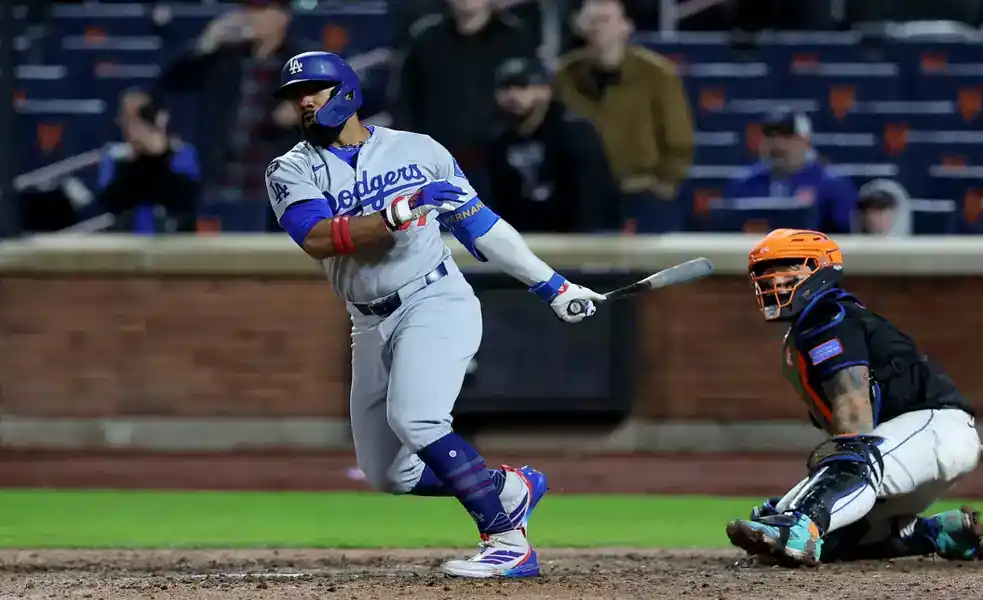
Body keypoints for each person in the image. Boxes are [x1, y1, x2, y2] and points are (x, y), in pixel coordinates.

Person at [265, 51, 606, 578]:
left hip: (433, 299)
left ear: (348, 92)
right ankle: (506, 490)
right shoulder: (289, 169)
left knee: (417, 418)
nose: (304, 101)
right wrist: (398, 211)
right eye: (295, 95)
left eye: (315, 89)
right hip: (368, 320)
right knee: (389, 474)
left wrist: (553, 286)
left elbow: (481, 227)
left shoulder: (418, 151)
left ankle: (507, 542)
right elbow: (318, 238)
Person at [725, 229, 983, 567]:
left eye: (789, 265)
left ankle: (800, 527)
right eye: (764, 271)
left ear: (821, 269)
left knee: (818, 497)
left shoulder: (829, 316)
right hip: (909, 448)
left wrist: (821, 490)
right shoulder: (811, 328)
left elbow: (854, 412)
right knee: (804, 530)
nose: (773, 278)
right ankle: (940, 533)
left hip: (937, 428)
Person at [157, 0, 308, 232]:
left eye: (261, 11)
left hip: (270, 182)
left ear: (283, 17)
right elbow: (172, 81)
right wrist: (207, 42)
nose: (253, 18)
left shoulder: (303, 63)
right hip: (220, 177)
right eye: (250, 11)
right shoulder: (224, 56)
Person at [554, 0, 694, 232]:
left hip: (642, 195)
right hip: (582, 198)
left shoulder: (658, 74)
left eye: (605, 20)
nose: (596, 28)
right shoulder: (565, 74)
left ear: (626, 26)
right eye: (590, 21)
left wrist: (664, 184)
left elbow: (679, 140)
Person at [388, 0, 538, 201]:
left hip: (503, 169)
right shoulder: (425, 40)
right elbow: (403, 102)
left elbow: (536, 100)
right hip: (436, 168)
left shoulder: (517, 38)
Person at [488, 56, 620, 232]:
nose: (512, 95)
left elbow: (592, 198)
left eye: (522, 86)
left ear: (546, 91)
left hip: (584, 237)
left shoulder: (573, 130)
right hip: (531, 238)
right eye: (505, 88)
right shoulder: (500, 141)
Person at [723, 108, 857, 233]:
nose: (777, 144)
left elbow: (843, 239)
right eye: (770, 136)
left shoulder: (833, 185)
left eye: (786, 136)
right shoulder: (743, 183)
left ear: (805, 141)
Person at [96, 89, 201, 233]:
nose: (136, 127)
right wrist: (135, 159)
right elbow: (111, 204)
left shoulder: (183, 153)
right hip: (127, 241)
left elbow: (185, 201)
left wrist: (160, 153)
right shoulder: (115, 156)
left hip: (174, 241)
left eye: (141, 118)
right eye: (128, 119)